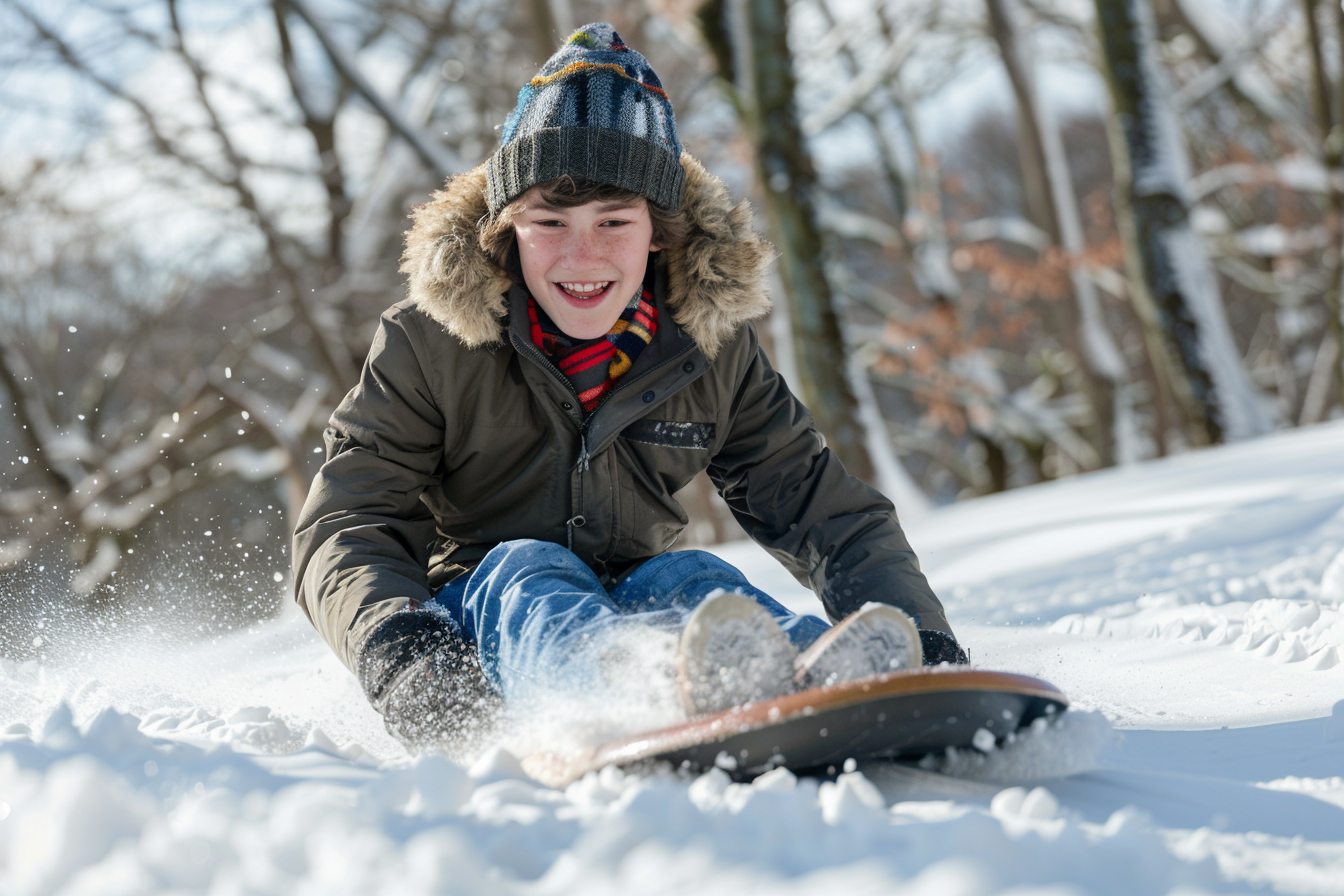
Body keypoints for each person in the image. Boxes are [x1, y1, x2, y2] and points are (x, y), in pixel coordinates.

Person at [292, 23, 967, 756]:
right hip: (482, 625)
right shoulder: (432, 344)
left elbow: (820, 507)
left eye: (614, 221)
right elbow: (346, 523)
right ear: (507, 230)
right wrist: (406, 653)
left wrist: (923, 636)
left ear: (658, 233)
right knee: (529, 568)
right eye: (548, 222)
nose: (582, 255)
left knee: (692, 574)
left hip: (640, 591)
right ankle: (619, 695)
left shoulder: (710, 348)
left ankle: (831, 681)